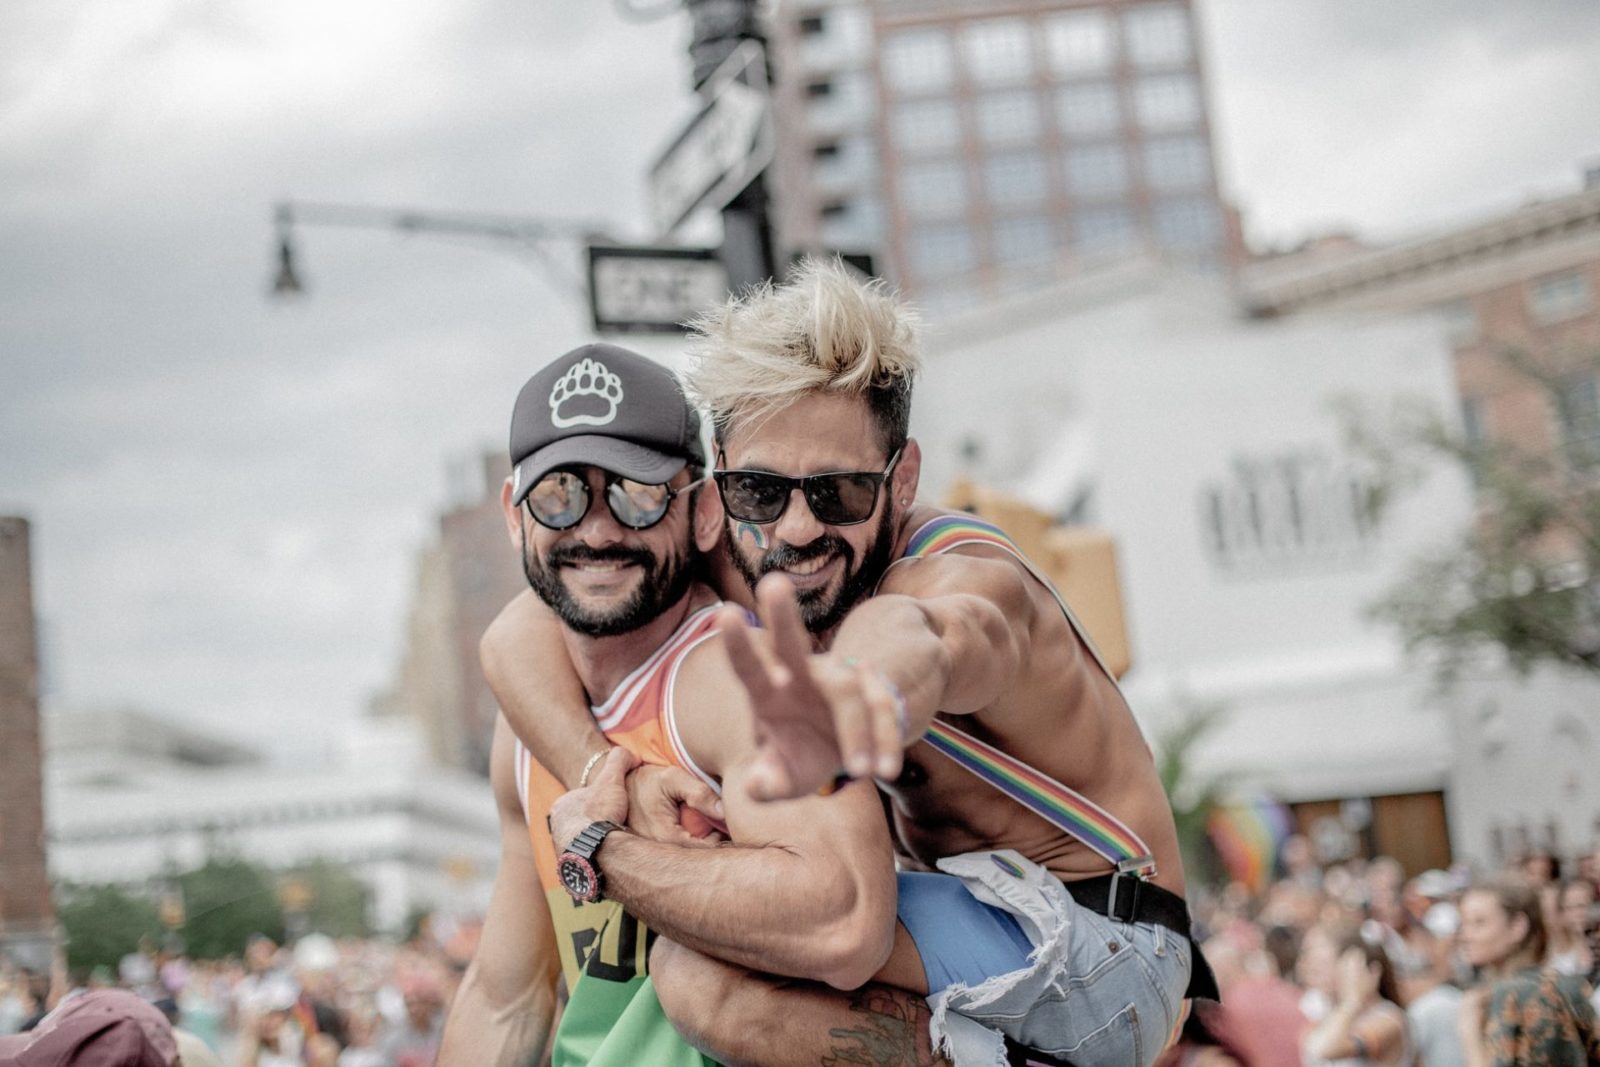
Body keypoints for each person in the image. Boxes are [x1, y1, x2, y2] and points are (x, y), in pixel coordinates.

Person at [486, 262, 1215, 1066]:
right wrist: (603, 771)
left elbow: (931, 636)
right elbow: (518, 631)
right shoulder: (763, 553)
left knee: (705, 975)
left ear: (902, 480)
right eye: (761, 490)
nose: (798, 527)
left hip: (1113, 950)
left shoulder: (963, 576)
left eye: (838, 492)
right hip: (978, 930)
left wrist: (861, 693)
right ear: (719, 486)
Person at [438, 342, 899, 1067]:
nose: (597, 530)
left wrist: (602, 849)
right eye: (560, 494)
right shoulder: (526, 726)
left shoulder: (726, 678)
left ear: (704, 511)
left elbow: (846, 919)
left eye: (638, 493)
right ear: (515, 514)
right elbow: (507, 997)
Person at [1456, 875, 1600, 1067]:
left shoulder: (1511, 994)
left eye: (1479, 923)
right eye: (1464, 923)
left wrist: (1471, 1034)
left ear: (1518, 926)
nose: (1465, 935)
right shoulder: (1566, 983)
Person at [1297, 922, 1411, 1066]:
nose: (1308, 967)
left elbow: (1325, 1050)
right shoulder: (1327, 1014)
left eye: (1322, 963)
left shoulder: (1388, 1021)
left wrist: (1352, 1001)